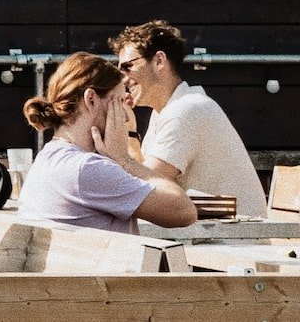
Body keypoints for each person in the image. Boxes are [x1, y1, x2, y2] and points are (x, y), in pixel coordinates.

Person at [18, 52, 196, 234]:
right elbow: (184, 211)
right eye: (119, 102)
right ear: (91, 99)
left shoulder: (48, 158)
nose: (126, 116)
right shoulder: (87, 169)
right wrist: (124, 159)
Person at [111, 20, 267, 217]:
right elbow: (146, 176)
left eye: (127, 67)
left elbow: (146, 188)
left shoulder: (186, 109)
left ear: (159, 61)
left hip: (237, 242)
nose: (122, 79)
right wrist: (130, 133)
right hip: (216, 234)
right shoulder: (169, 109)